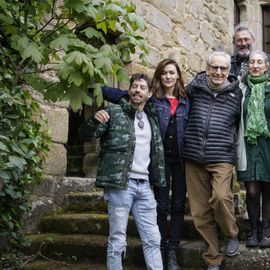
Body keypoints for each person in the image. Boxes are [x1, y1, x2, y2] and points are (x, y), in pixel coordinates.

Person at [102, 59, 189, 270]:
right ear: (159, 77)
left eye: (172, 73)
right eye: (164, 73)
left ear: (178, 76)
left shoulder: (187, 99)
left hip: (180, 160)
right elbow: (126, 96)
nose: (168, 77)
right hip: (158, 163)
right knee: (160, 206)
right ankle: (159, 249)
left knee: (177, 206)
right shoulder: (153, 100)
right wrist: (102, 91)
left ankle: (172, 252)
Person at [80, 73, 165, 270]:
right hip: (120, 186)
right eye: (134, 86)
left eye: (142, 88)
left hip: (145, 187)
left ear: (150, 93)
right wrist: (93, 119)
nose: (137, 90)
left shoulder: (152, 119)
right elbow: (85, 135)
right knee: (118, 239)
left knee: (153, 238)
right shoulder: (114, 112)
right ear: (129, 90)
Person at [183, 50, 242, 270]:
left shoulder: (237, 94)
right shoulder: (194, 89)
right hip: (194, 156)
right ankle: (213, 258)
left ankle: (230, 234)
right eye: (214, 67)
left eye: (223, 68)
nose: (218, 72)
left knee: (219, 197)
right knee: (199, 212)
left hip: (222, 156)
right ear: (207, 69)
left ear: (229, 71)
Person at [236, 50, 270, 248]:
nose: (255, 65)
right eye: (252, 62)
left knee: (268, 189)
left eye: (259, 62)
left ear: (266, 66)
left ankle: (266, 232)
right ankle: (253, 231)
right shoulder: (242, 90)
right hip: (248, 145)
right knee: (252, 191)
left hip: (269, 145)